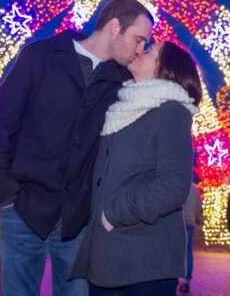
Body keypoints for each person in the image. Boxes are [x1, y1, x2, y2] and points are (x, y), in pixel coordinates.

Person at [0, 0, 154, 296]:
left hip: (79, 224)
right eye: (139, 39)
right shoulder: (40, 56)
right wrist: (5, 196)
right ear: (114, 27)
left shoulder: (124, 82)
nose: (141, 49)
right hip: (23, 211)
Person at [70, 41, 202, 296]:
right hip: (106, 260)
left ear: (164, 68)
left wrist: (114, 212)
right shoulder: (120, 110)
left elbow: (173, 186)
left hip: (145, 262)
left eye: (150, 50)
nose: (141, 50)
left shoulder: (172, 112)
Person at [178, 183, 203, 293]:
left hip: (178, 222)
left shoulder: (178, 184)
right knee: (188, 250)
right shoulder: (193, 188)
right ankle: (187, 280)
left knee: (175, 250)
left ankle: (174, 277)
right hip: (190, 222)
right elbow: (199, 206)